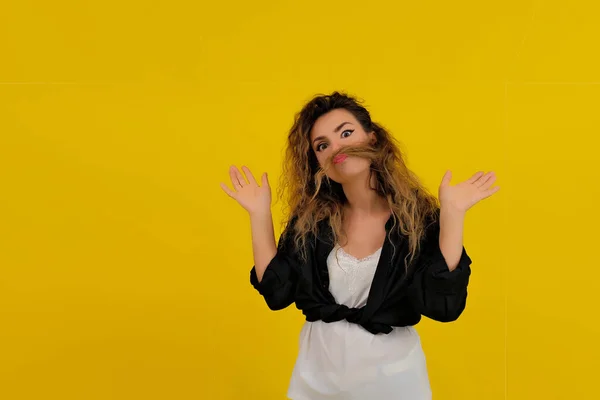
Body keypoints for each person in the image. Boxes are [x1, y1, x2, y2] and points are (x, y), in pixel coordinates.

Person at [220, 91, 499, 400]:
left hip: (394, 385)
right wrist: (259, 215)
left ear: (373, 138)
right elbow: (277, 292)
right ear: (317, 162)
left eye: (346, 132)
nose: (336, 147)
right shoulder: (310, 223)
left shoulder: (417, 220)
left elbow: (442, 306)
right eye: (322, 145)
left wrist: (453, 215)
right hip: (315, 383)